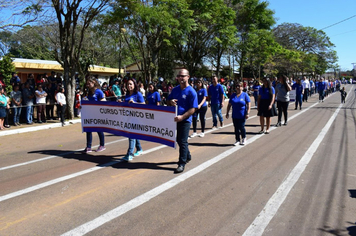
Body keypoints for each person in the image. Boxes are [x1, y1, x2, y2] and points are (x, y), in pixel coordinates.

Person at [167, 69, 198, 173]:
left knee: (183, 141)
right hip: (175, 119)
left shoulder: (191, 92)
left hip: (185, 120)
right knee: (178, 139)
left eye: (183, 76)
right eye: (179, 76)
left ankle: (181, 163)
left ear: (188, 77)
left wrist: (182, 117)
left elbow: (193, 109)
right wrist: (170, 102)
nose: (181, 78)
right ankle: (188, 155)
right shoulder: (175, 90)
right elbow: (167, 100)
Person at [121, 78, 145, 161]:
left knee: (131, 135)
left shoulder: (138, 94)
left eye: (131, 84)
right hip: (128, 118)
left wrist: (135, 104)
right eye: (128, 84)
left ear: (134, 85)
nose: (129, 86)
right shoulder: (127, 95)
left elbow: (144, 104)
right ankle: (139, 149)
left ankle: (129, 154)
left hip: (136, 119)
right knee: (134, 135)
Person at [82, 77, 106, 153]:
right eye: (87, 84)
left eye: (89, 83)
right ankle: (88, 147)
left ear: (94, 83)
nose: (88, 85)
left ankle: (102, 145)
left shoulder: (99, 92)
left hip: (97, 114)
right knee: (88, 130)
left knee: (99, 129)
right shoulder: (89, 92)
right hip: (90, 114)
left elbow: (103, 102)